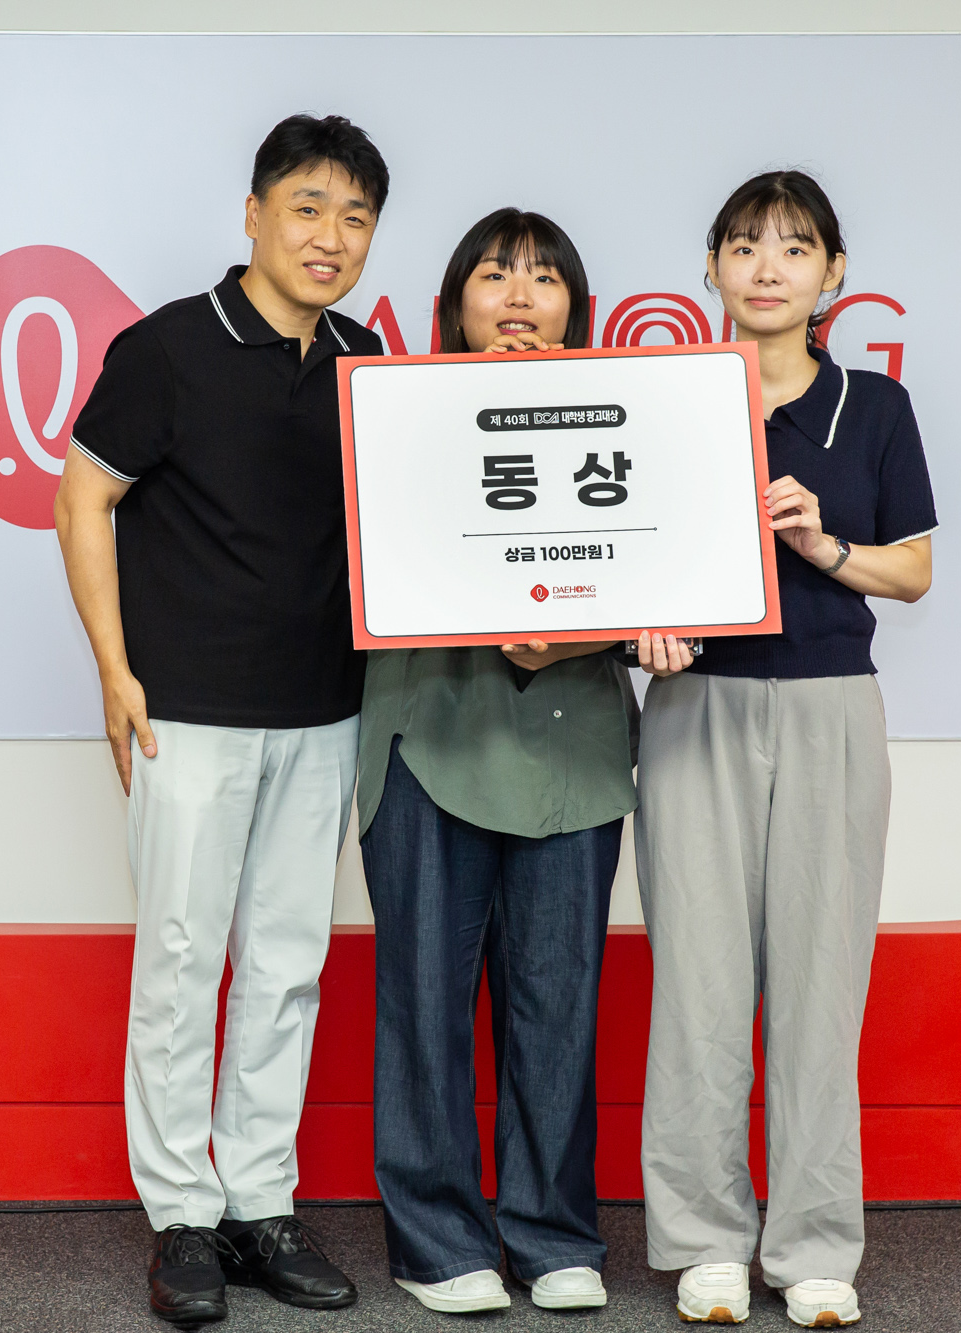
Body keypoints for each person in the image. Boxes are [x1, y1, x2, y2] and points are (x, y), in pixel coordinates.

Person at [53, 113, 388, 1326]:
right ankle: (182, 1216)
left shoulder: (363, 361)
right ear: (253, 215)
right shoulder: (168, 348)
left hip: (324, 712)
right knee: (184, 961)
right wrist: (114, 670)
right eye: (306, 207)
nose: (329, 236)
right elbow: (81, 498)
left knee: (288, 966)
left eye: (355, 217)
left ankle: (259, 1202)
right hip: (184, 713)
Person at [356, 207, 696, 1317]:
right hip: (429, 734)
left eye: (544, 278)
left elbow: (666, 568)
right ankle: (436, 1239)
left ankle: (552, 1233)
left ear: (576, 309)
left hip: (573, 747)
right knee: (424, 997)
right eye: (494, 275)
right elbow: (368, 563)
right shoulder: (399, 420)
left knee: (557, 999)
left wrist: (608, 629)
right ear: (454, 303)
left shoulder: (632, 425)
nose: (518, 297)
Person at [635, 171, 937, 1328]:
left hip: (829, 708)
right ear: (710, 266)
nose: (767, 267)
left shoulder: (875, 407)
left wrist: (824, 546)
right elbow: (618, 557)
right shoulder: (664, 403)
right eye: (745, 245)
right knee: (698, 987)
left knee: (820, 985)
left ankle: (812, 1243)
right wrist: (638, 629)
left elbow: (912, 572)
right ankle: (704, 1239)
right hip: (695, 709)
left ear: (832, 273)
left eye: (794, 247)